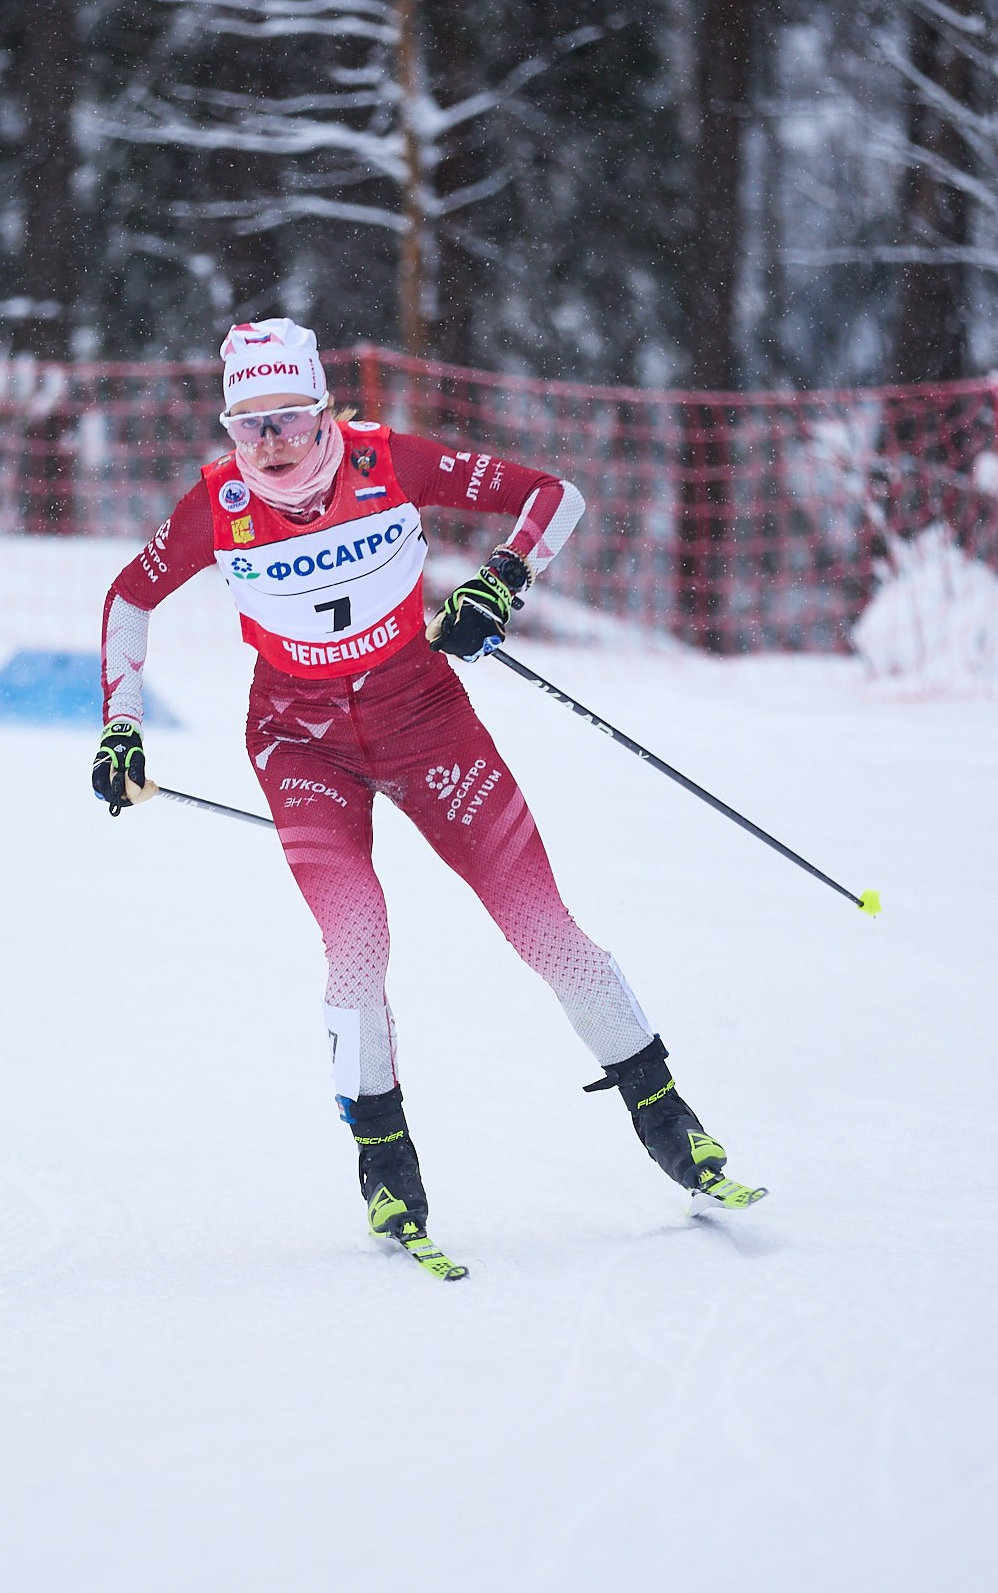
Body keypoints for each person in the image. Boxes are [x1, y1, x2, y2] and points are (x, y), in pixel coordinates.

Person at [91, 318, 763, 1279]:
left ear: (325, 410)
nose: (271, 444)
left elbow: (554, 495)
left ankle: (669, 1120)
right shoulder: (219, 502)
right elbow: (128, 596)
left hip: (424, 721)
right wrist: (123, 722)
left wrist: (502, 579)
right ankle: (386, 1166)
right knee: (357, 936)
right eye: (248, 426)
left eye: (288, 418)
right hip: (299, 743)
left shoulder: (387, 461)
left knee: (541, 921)